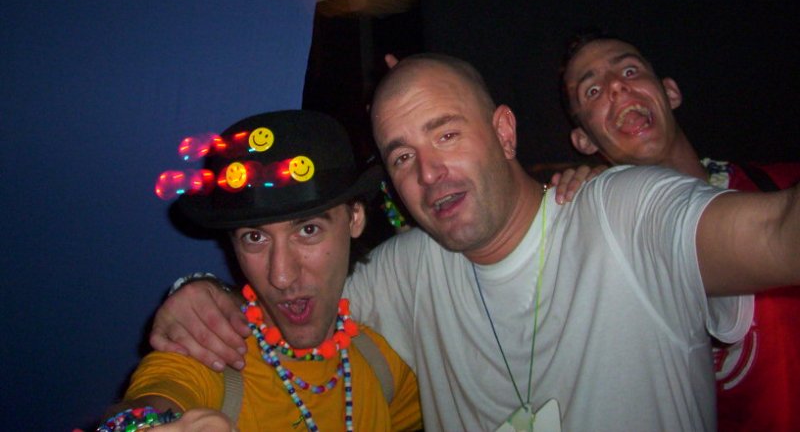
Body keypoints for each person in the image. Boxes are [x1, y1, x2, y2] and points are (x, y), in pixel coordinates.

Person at [151, 53, 800, 431]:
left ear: (505, 132)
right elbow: (294, 294)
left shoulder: (624, 211)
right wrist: (198, 292)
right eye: (403, 156)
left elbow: (777, 232)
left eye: (446, 134)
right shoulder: (408, 271)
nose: (430, 173)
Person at [93, 110, 421, 432]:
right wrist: (143, 425)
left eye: (308, 230)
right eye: (255, 237)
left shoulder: (384, 363)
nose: (281, 276)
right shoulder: (210, 350)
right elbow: (159, 393)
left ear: (354, 219)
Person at [558, 31, 800, 432]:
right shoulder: (606, 259)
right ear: (584, 140)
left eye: (629, 71)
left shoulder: (780, 186)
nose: (617, 86)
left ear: (669, 92)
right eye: (593, 90)